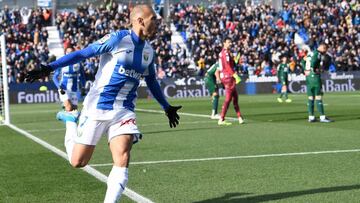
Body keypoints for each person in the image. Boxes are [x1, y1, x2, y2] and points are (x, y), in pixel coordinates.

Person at [25, 4, 182, 203]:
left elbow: (151, 80)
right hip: (98, 106)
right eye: (154, 19)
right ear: (140, 21)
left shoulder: (149, 51)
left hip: (124, 111)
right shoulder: (117, 39)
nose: (158, 23)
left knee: (123, 156)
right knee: (78, 162)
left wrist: (166, 107)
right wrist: (50, 67)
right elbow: (83, 53)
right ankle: (71, 121)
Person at [216, 37, 244, 126]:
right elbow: (227, 66)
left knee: (235, 97)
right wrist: (235, 75)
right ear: (224, 43)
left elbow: (233, 62)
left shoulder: (227, 53)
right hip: (227, 76)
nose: (230, 44)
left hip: (228, 76)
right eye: (228, 42)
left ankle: (239, 117)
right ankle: (221, 118)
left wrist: (238, 56)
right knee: (228, 99)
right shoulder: (225, 53)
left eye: (230, 42)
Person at [303, 44, 333, 123]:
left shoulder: (310, 53)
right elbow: (313, 62)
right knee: (318, 97)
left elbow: (303, 61)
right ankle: (322, 117)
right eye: (325, 50)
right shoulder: (318, 54)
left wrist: (305, 70)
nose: (325, 52)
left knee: (310, 97)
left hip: (308, 77)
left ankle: (311, 117)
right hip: (314, 77)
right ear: (323, 48)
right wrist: (316, 69)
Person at [52, 47, 86, 112]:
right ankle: (61, 114)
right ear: (66, 53)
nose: (70, 54)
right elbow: (54, 77)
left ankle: (64, 114)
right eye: (68, 52)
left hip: (74, 89)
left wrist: (83, 86)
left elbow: (82, 77)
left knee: (74, 110)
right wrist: (59, 87)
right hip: (64, 89)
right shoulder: (62, 63)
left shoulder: (78, 63)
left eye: (71, 52)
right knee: (69, 108)